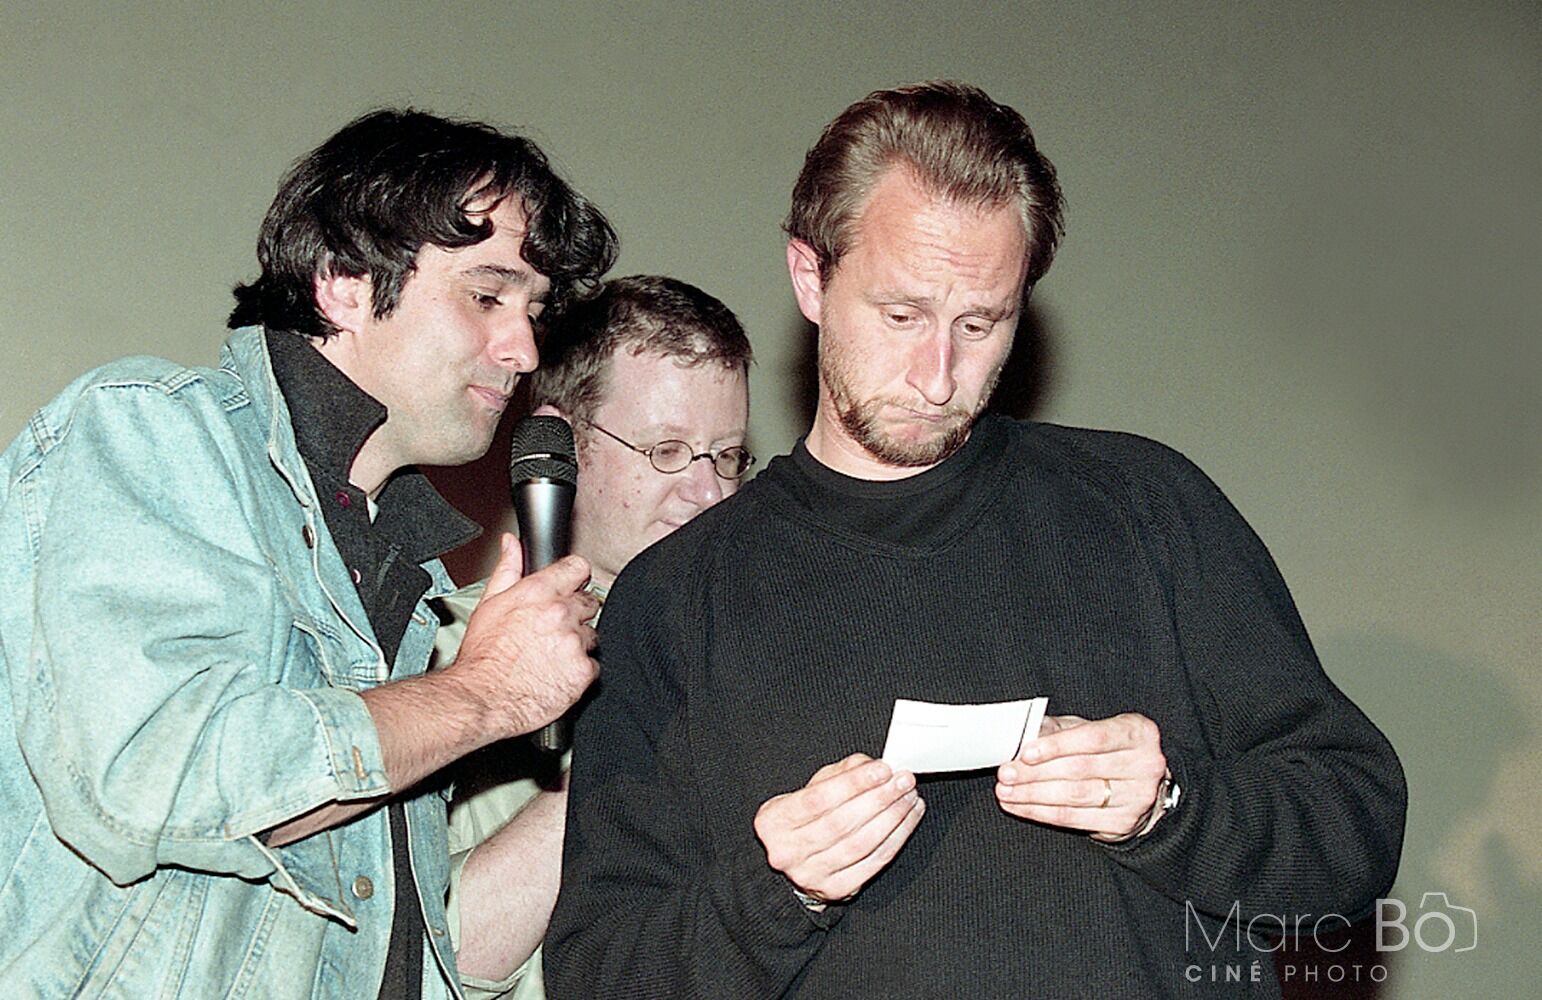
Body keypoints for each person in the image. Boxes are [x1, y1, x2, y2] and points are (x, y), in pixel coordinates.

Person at [544, 82, 1407, 998]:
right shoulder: (675, 598)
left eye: (979, 323)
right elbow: (599, 975)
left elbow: (1356, 829)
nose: (938, 375)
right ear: (810, 277)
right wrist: (776, 892)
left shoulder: (1145, 506)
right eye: (902, 315)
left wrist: (1171, 809)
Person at [0, 109, 617, 998]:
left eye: (535, 311)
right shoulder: (153, 428)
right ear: (344, 281)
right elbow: (159, 778)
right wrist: (483, 693)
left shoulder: (403, 571)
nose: (522, 350)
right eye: (488, 296)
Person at [430, 274, 754, 999]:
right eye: (668, 451)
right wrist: (622, 773)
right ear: (561, 445)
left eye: (728, 456)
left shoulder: (762, 647)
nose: (709, 493)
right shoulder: (436, 651)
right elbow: (440, 959)